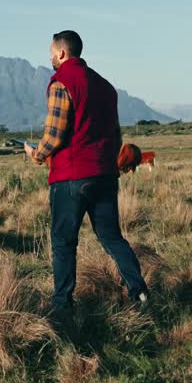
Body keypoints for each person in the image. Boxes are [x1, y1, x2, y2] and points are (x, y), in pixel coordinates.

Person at [24, 30, 149, 328]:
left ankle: (62, 306)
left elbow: (54, 135)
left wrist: (36, 154)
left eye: (52, 53)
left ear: (62, 53)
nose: (51, 58)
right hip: (105, 174)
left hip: (70, 176)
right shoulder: (106, 87)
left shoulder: (60, 83)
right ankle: (140, 292)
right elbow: (116, 134)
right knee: (112, 237)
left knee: (64, 242)